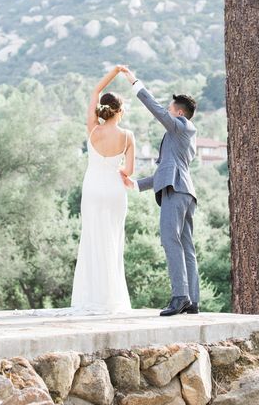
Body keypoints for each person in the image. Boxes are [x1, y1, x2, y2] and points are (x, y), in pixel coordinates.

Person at [120, 67, 199, 317]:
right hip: (184, 190)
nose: (167, 110)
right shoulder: (185, 137)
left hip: (175, 191)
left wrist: (135, 83)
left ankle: (180, 296)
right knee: (185, 244)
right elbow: (166, 169)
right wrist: (137, 184)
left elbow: (154, 108)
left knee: (169, 240)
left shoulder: (179, 127)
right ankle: (192, 300)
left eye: (170, 108)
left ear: (178, 112)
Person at [70, 65, 135, 314]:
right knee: (113, 241)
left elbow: (96, 90)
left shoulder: (93, 129)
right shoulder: (128, 136)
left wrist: (114, 72)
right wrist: (116, 169)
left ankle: (93, 297)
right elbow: (127, 171)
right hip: (115, 191)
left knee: (92, 240)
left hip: (93, 189)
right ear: (119, 111)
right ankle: (112, 298)